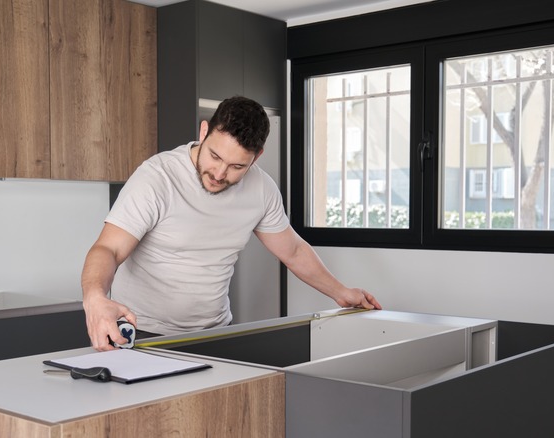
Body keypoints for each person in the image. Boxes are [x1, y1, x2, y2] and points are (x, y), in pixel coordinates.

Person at [81, 96, 381, 351]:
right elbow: (108, 248)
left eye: (237, 166)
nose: (220, 173)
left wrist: (340, 292)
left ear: (256, 157)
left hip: (215, 333)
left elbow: (293, 251)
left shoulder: (261, 189)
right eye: (215, 156)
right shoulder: (157, 178)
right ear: (203, 131)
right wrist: (94, 297)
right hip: (144, 334)